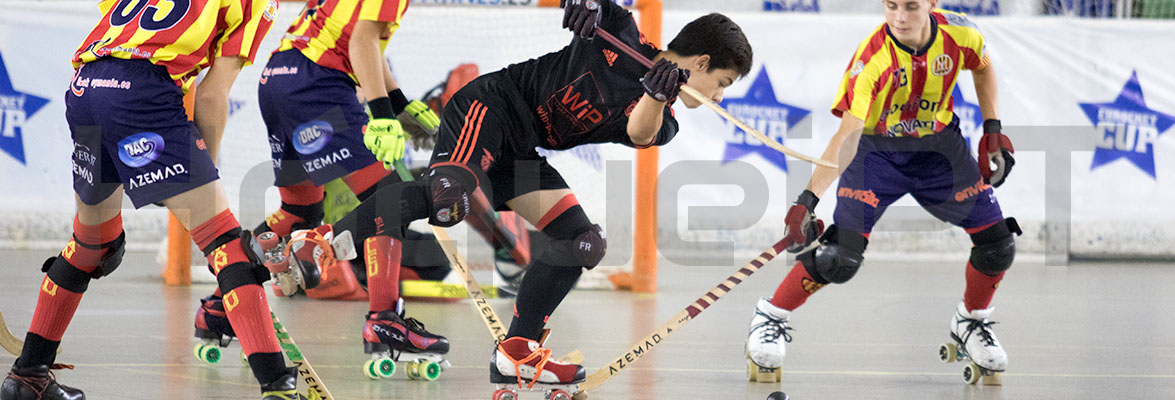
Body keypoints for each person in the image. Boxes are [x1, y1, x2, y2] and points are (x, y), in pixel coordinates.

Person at [288, 0, 754, 385]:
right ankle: (323, 243)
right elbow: (594, 5)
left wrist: (655, 93)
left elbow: (639, 131)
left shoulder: (665, 117)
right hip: (489, 106)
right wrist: (585, 6)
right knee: (448, 200)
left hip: (521, 147)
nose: (718, 97)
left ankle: (517, 351)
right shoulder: (620, 29)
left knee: (583, 243)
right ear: (701, 63)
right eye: (722, 85)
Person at [0, 0, 304, 399]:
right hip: (142, 92)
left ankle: (27, 377)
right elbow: (213, 96)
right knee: (226, 244)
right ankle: (278, 387)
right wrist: (203, 170)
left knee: (95, 244)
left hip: (86, 87)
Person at [745, 0, 1020, 381]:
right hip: (876, 154)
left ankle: (971, 322)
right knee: (838, 258)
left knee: (997, 244)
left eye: (911, 7)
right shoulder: (873, 59)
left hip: (939, 150)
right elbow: (848, 135)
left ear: (932, 5)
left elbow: (984, 66)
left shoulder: (962, 34)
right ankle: (770, 317)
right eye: (891, 6)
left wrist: (992, 126)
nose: (900, 18)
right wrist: (807, 200)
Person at [193, 0, 453, 373]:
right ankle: (385, 320)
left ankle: (220, 306)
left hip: (280, 79)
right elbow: (361, 40)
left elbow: (364, 38)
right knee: (390, 198)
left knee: (299, 209)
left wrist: (397, 102)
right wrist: (382, 115)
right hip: (318, 82)